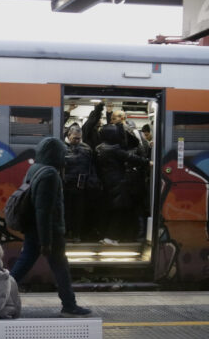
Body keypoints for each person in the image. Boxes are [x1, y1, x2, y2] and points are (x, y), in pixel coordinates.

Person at [10, 137, 91, 317]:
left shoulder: (34, 169)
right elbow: (44, 210)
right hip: (49, 231)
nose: (65, 157)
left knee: (22, 266)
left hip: (34, 229)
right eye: (62, 153)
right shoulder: (50, 175)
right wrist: (46, 241)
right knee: (61, 269)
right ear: (55, 154)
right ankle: (69, 305)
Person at [95, 125, 151, 244]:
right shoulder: (114, 149)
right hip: (118, 182)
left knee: (108, 211)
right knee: (119, 211)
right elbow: (131, 157)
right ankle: (111, 237)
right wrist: (147, 162)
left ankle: (103, 235)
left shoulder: (99, 148)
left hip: (105, 182)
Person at [63, 125, 94, 243]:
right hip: (66, 184)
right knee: (66, 211)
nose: (77, 140)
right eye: (75, 138)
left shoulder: (86, 148)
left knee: (78, 211)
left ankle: (76, 233)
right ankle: (67, 232)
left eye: (79, 138)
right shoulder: (62, 147)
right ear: (68, 135)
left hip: (80, 184)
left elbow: (91, 167)